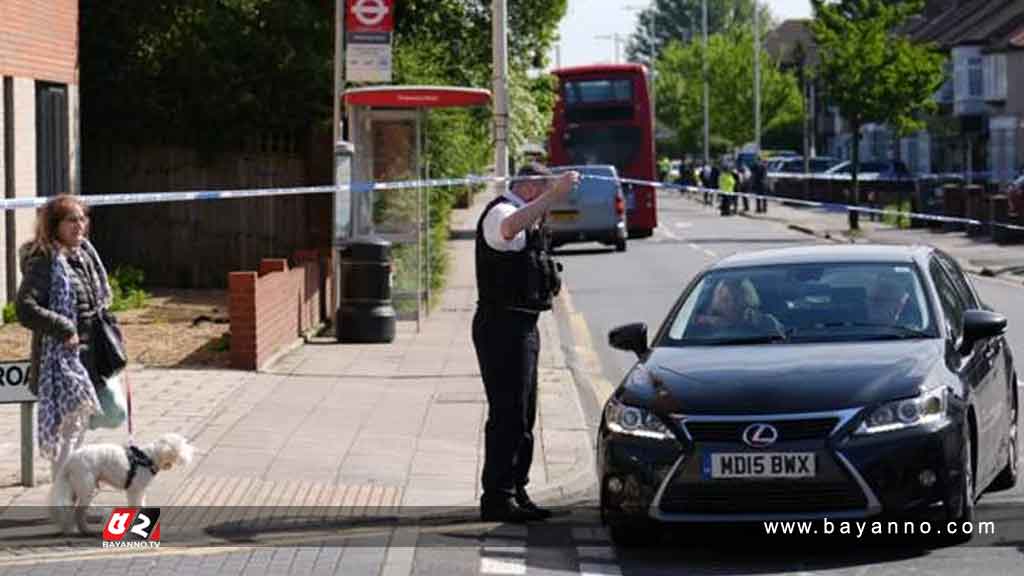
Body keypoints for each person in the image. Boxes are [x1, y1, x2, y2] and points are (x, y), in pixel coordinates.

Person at [473, 163, 579, 523]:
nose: (549, 206)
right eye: (545, 194)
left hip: (523, 324)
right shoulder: (501, 211)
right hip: (501, 326)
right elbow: (507, 229)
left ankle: (517, 489)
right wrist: (554, 194)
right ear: (531, 187)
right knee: (508, 413)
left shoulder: (527, 215)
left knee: (525, 415)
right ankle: (497, 498)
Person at [16, 194, 111, 481]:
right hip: (60, 362)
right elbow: (25, 308)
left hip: (87, 356)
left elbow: (92, 303)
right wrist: (64, 328)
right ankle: (63, 501)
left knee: (80, 429)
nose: (79, 225)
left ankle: (67, 497)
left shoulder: (83, 256)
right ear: (54, 225)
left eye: (83, 219)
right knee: (67, 436)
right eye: (71, 220)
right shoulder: (44, 260)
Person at [692, 278, 784, 335]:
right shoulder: (699, 323)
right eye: (725, 299)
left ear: (747, 300)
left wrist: (759, 322)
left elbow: (781, 341)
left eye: (737, 299)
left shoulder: (764, 321)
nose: (732, 304)